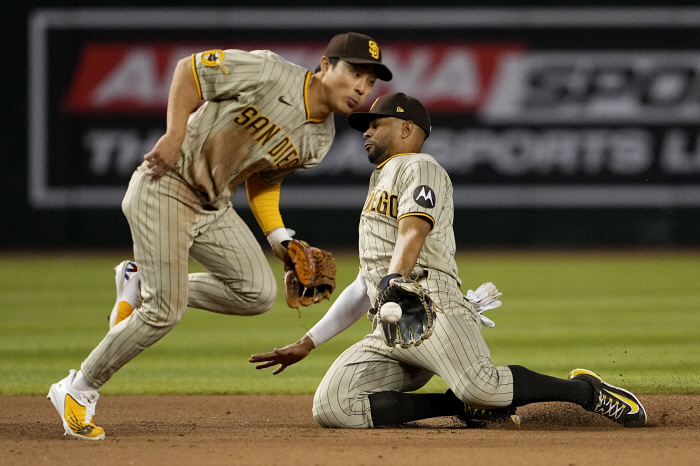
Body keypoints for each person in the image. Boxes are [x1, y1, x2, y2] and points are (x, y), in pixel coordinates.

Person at [47, 32, 393, 440]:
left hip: (213, 207)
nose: (361, 88)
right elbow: (189, 71)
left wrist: (280, 238)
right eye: (354, 72)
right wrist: (175, 134)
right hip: (166, 184)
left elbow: (264, 179)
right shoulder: (269, 71)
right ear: (324, 65)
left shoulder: (320, 139)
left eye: (370, 82)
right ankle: (79, 387)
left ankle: (141, 282)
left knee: (256, 292)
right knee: (165, 311)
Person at [249, 93, 647, 429]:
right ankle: (460, 408)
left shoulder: (421, 166)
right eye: (364, 126)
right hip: (389, 321)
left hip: (430, 305)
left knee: (483, 386)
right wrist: (307, 342)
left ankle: (587, 391)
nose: (366, 131)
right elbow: (363, 283)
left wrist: (391, 281)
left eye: (376, 123)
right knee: (333, 406)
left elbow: (413, 231)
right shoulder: (379, 179)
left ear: (406, 129)